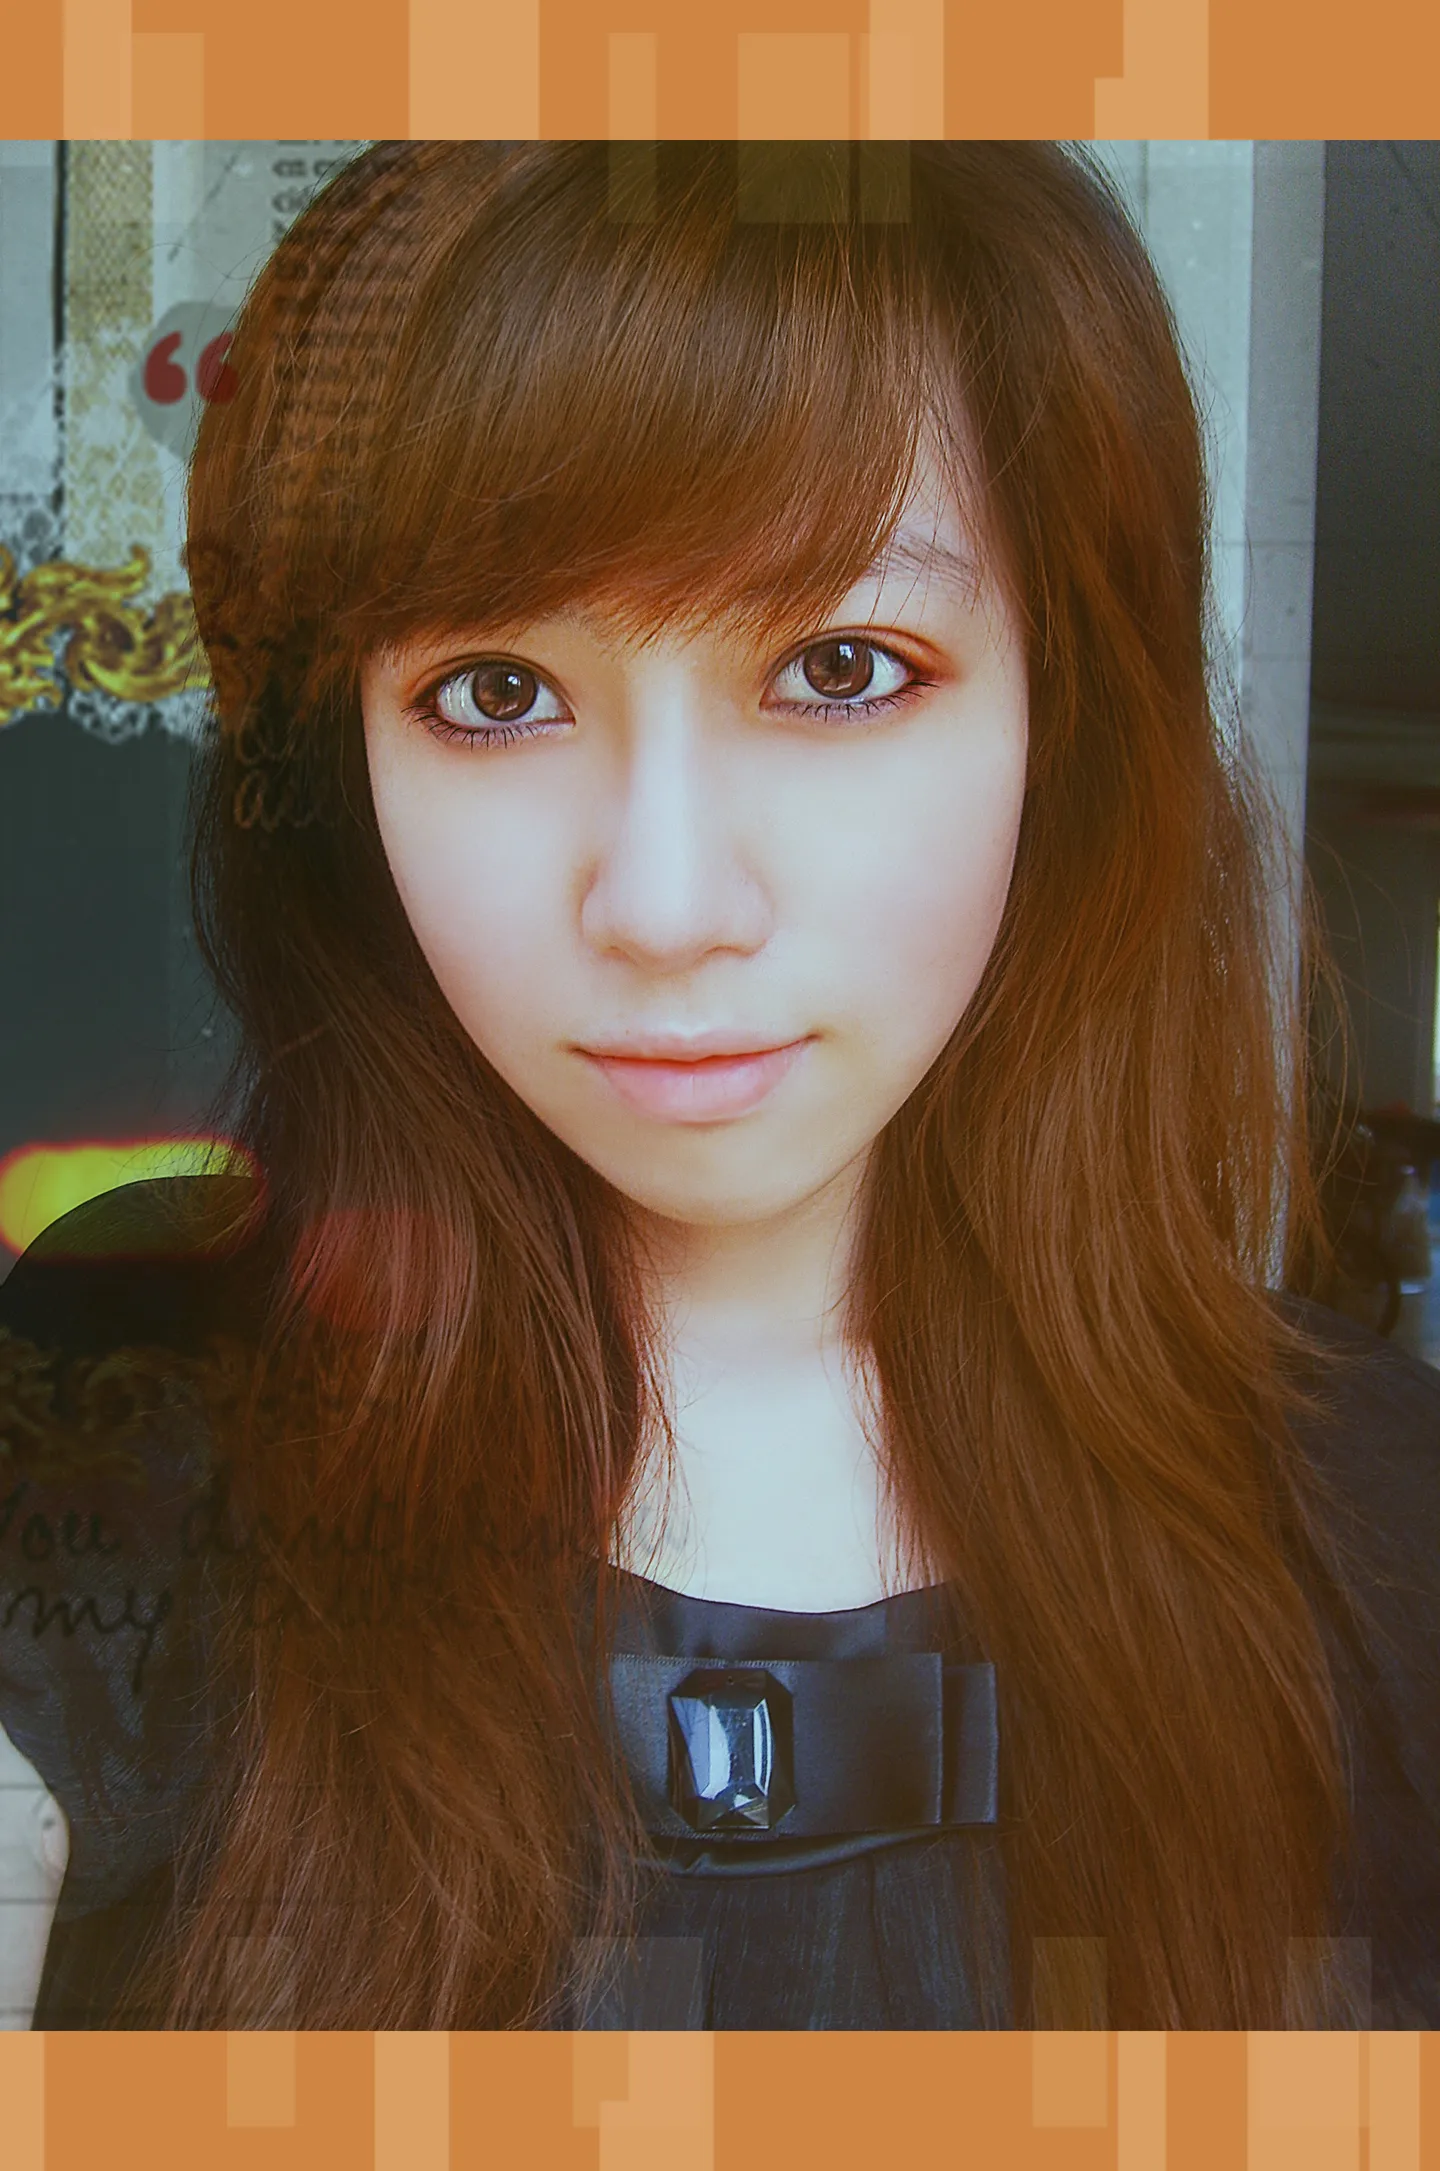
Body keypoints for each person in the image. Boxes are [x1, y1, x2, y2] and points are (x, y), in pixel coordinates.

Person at [1, 139, 1437, 2033]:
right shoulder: (119, 1424)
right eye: (495, 691)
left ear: (1064, 720)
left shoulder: (1380, 1523)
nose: (666, 906)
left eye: (841, 665)